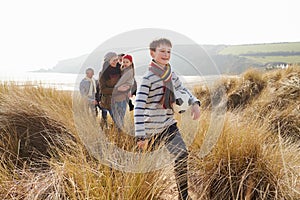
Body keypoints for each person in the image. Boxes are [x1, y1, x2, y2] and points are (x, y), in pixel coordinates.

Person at [134, 38, 200, 200]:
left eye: (169, 51)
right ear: (152, 53)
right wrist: (140, 136)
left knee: (182, 154)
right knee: (144, 166)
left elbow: (182, 89)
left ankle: (183, 196)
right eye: (162, 51)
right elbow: (139, 107)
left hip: (169, 124)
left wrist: (195, 103)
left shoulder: (171, 74)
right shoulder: (147, 78)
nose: (166, 54)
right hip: (150, 130)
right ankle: (140, 193)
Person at [98, 52, 122, 128]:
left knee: (119, 121)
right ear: (108, 61)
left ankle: (114, 133)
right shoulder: (103, 73)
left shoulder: (120, 70)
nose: (116, 62)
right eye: (113, 60)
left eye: (117, 60)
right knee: (117, 122)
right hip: (109, 101)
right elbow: (103, 89)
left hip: (120, 100)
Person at [112, 54, 135, 129]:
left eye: (127, 62)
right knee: (118, 117)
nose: (125, 63)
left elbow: (121, 83)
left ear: (131, 62)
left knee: (120, 117)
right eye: (123, 61)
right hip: (120, 96)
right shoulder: (124, 70)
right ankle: (118, 131)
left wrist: (115, 88)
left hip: (122, 97)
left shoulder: (129, 71)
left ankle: (119, 132)